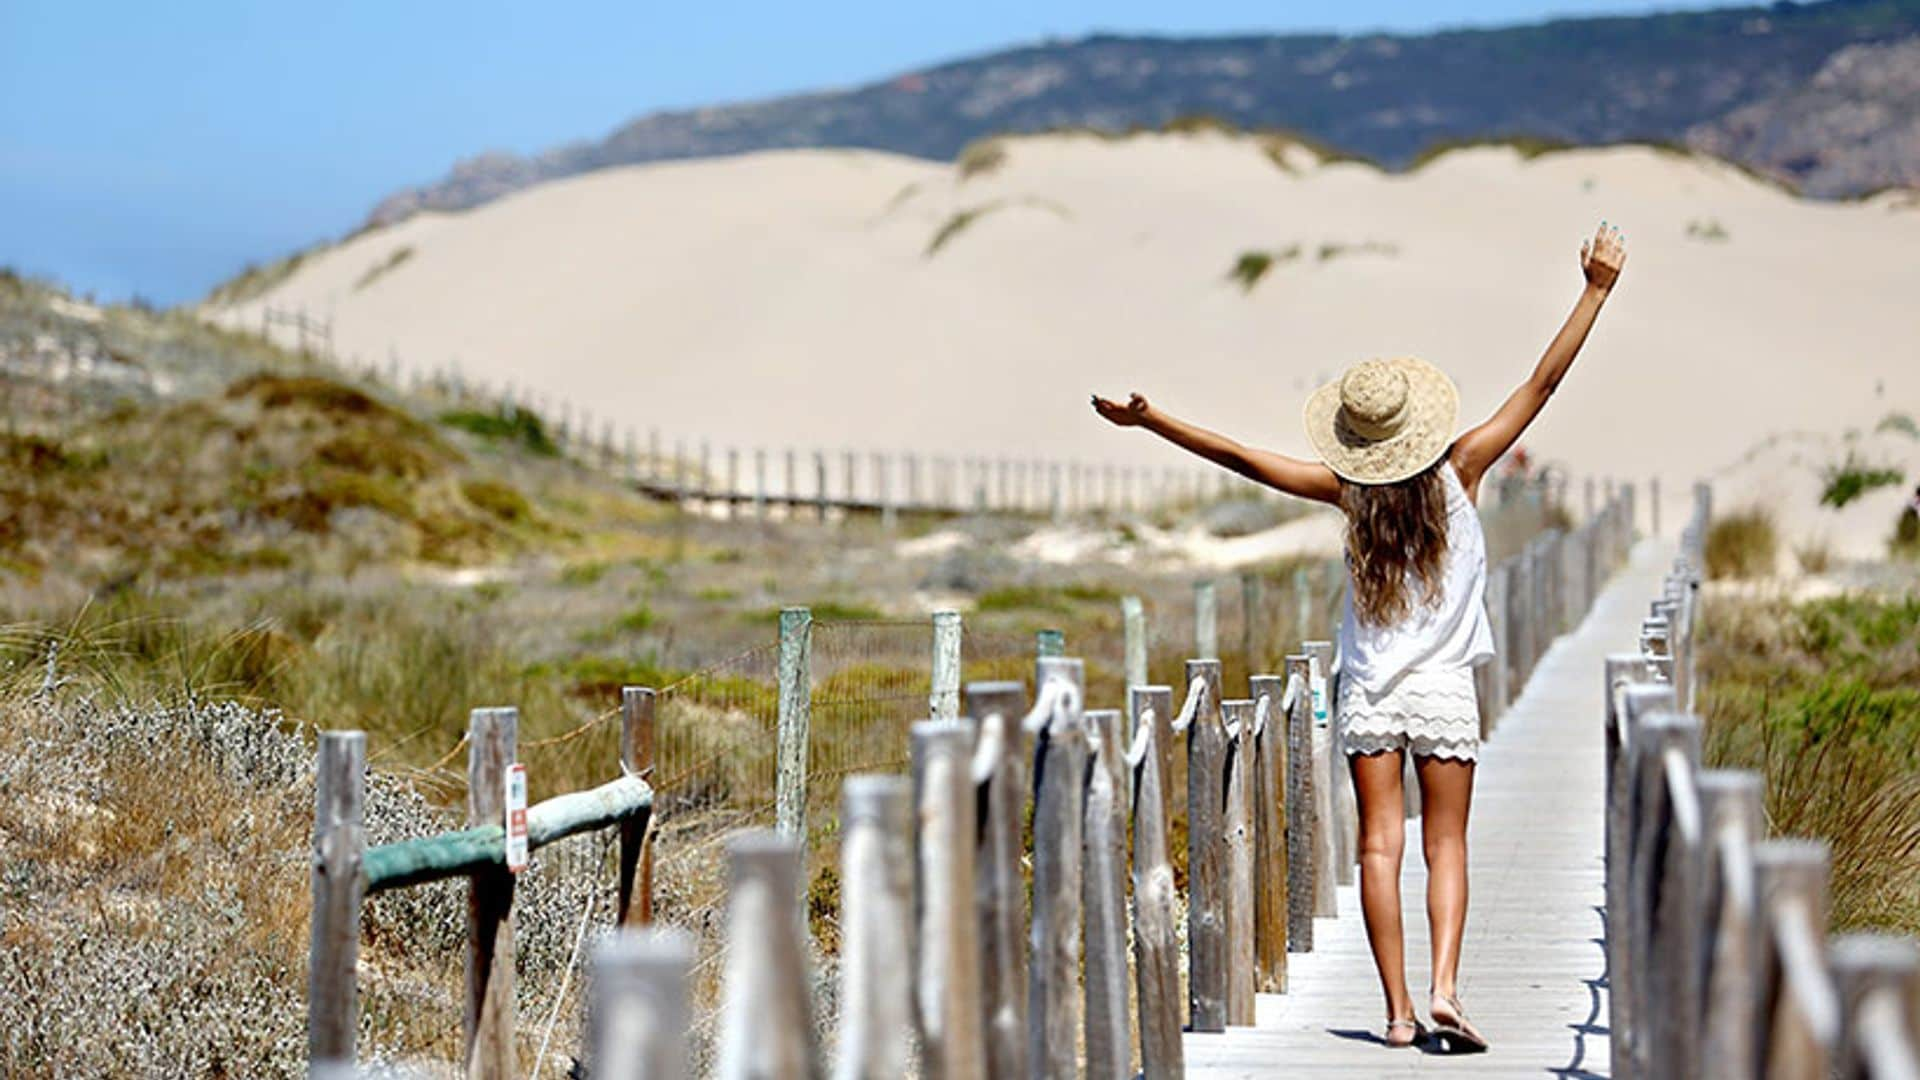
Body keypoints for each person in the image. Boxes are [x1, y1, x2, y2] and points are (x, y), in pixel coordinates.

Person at [1092, 221, 1628, 1052]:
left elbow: (1242, 458)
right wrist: (1595, 290)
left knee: (1381, 845)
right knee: (1445, 841)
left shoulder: (1348, 493)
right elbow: (1541, 385)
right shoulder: (1465, 471)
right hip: (1445, 687)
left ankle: (1398, 1013)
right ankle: (1448, 985)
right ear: (1419, 424)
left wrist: (1152, 419)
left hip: (1372, 689)